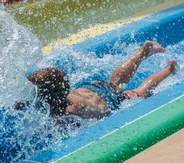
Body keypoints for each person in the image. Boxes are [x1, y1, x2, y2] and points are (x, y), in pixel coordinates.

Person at [24, 41, 178, 119]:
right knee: (115, 84)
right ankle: (143, 52)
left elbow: (105, 112)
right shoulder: (62, 95)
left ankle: (168, 70)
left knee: (139, 92)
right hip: (92, 88)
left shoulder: (70, 110)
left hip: (109, 102)